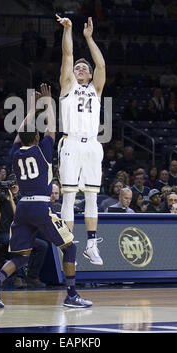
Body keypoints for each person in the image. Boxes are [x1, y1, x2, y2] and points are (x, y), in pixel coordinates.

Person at [0, 83, 92, 308]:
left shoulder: (14, 153)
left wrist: (32, 109)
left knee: (22, 256)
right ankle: (71, 295)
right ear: (38, 136)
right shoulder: (42, 150)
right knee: (70, 247)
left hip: (22, 209)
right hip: (41, 207)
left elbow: (21, 133)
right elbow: (52, 128)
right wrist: (49, 103)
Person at [55, 14, 106, 266]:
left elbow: (102, 66)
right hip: (71, 142)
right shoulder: (68, 86)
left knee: (92, 197)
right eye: (78, 67)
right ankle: (68, 245)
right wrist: (69, 30)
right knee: (68, 196)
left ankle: (91, 245)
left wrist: (89, 38)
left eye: (84, 67)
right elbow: (67, 56)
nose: (81, 68)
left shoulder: (96, 89)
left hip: (93, 145)